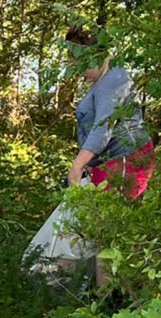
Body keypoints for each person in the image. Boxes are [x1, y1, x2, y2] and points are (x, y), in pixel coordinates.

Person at [64, 27, 154, 198]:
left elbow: (103, 127)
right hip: (109, 162)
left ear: (91, 57)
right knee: (86, 214)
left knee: (104, 216)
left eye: (80, 67)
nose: (80, 74)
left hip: (127, 159)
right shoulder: (107, 79)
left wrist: (78, 164)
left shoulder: (113, 80)